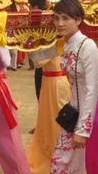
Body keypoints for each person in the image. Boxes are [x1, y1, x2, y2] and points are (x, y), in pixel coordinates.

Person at [50, 0, 98, 173]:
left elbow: (93, 89)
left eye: (65, 18)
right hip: (74, 112)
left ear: (78, 20)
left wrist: (83, 130)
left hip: (92, 114)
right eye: (56, 18)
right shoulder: (66, 44)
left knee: (89, 166)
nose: (60, 23)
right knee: (60, 164)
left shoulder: (87, 46)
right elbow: (36, 57)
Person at [26, 44, 71, 174]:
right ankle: (52, 153)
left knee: (58, 121)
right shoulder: (50, 43)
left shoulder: (57, 43)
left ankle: (60, 155)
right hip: (48, 82)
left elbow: (38, 62)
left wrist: (34, 49)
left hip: (57, 84)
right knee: (46, 120)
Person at [27, 0, 48, 135]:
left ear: (34, 7)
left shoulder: (44, 22)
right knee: (40, 96)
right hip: (41, 64)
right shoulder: (47, 20)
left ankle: (44, 126)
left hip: (46, 65)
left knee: (44, 97)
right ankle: (42, 125)